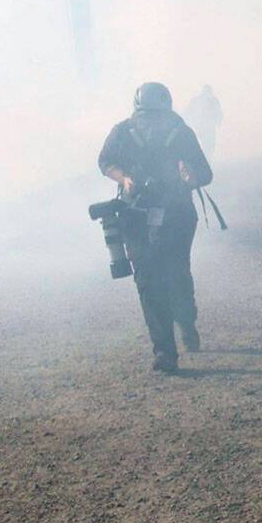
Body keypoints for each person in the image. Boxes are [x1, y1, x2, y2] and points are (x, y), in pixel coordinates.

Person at [98, 82, 213, 373]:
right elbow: (106, 162)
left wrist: (189, 178)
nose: (150, 124)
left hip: (173, 214)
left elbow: (203, 173)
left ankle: (183, 327)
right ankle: (166, 350)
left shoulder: (179, 131)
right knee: (153, 280)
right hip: (138, 215)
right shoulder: (125, 131)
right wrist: (124, 179)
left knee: (168, 276)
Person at [182, 84, 222, 157]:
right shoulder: (212, 100)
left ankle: (204, 157)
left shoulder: (197, 100)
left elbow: (188, 111)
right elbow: (218, 112)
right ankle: (205, 158)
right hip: (204, 126)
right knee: (208, 144)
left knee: (207, 144)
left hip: (203, 126)